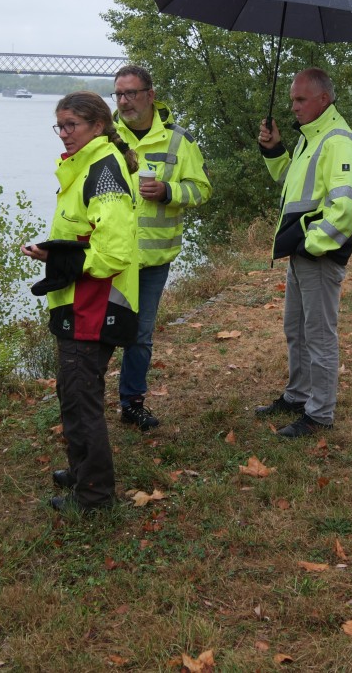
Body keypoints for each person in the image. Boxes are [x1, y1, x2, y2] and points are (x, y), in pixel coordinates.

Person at [22, 91, 139, 514]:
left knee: (80, 400)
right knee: (71, 393)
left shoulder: (103, 172)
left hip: (94, 306)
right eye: (60, 125)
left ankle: (93, 498)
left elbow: (113, 253)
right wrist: (55, 252)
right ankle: (79, 470)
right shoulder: (86, 166)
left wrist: (57, 257)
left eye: (72, 124)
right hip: (77, 302)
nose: (64, 133)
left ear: (98, 126)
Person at [255, 68, 352, 438]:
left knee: (318, 335)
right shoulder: (310, 137)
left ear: (324, 99)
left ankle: (319, 413)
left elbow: (346, 206)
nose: (294, 106)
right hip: (302, 253)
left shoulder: (339, 141)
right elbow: (290, 181)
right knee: (295, 330)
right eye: (292, 99)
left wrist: (312, 243)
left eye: (301, 99)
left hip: (317, 255)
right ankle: (298, 394)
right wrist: (273, 149)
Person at [111, 65, 212, 431]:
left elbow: (201, 189)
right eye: (119, 94)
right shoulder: (104, 138)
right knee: (100, 332)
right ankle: (86, 403)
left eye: (131, 93)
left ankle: (132, 402)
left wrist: (169, 192)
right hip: (109, 258)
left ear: (151, 95)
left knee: (139, 335)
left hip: (153, 260)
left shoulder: (178, 141)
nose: (124, 101)